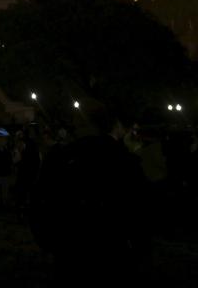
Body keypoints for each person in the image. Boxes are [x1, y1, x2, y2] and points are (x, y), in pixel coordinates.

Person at [30, 104, 151, 282]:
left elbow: (41, 203)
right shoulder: (126, 161)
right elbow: (141, 211)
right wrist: (138, 249)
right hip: (114, 250)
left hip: (71, 249)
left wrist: (49, 242)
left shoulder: (60, 159)